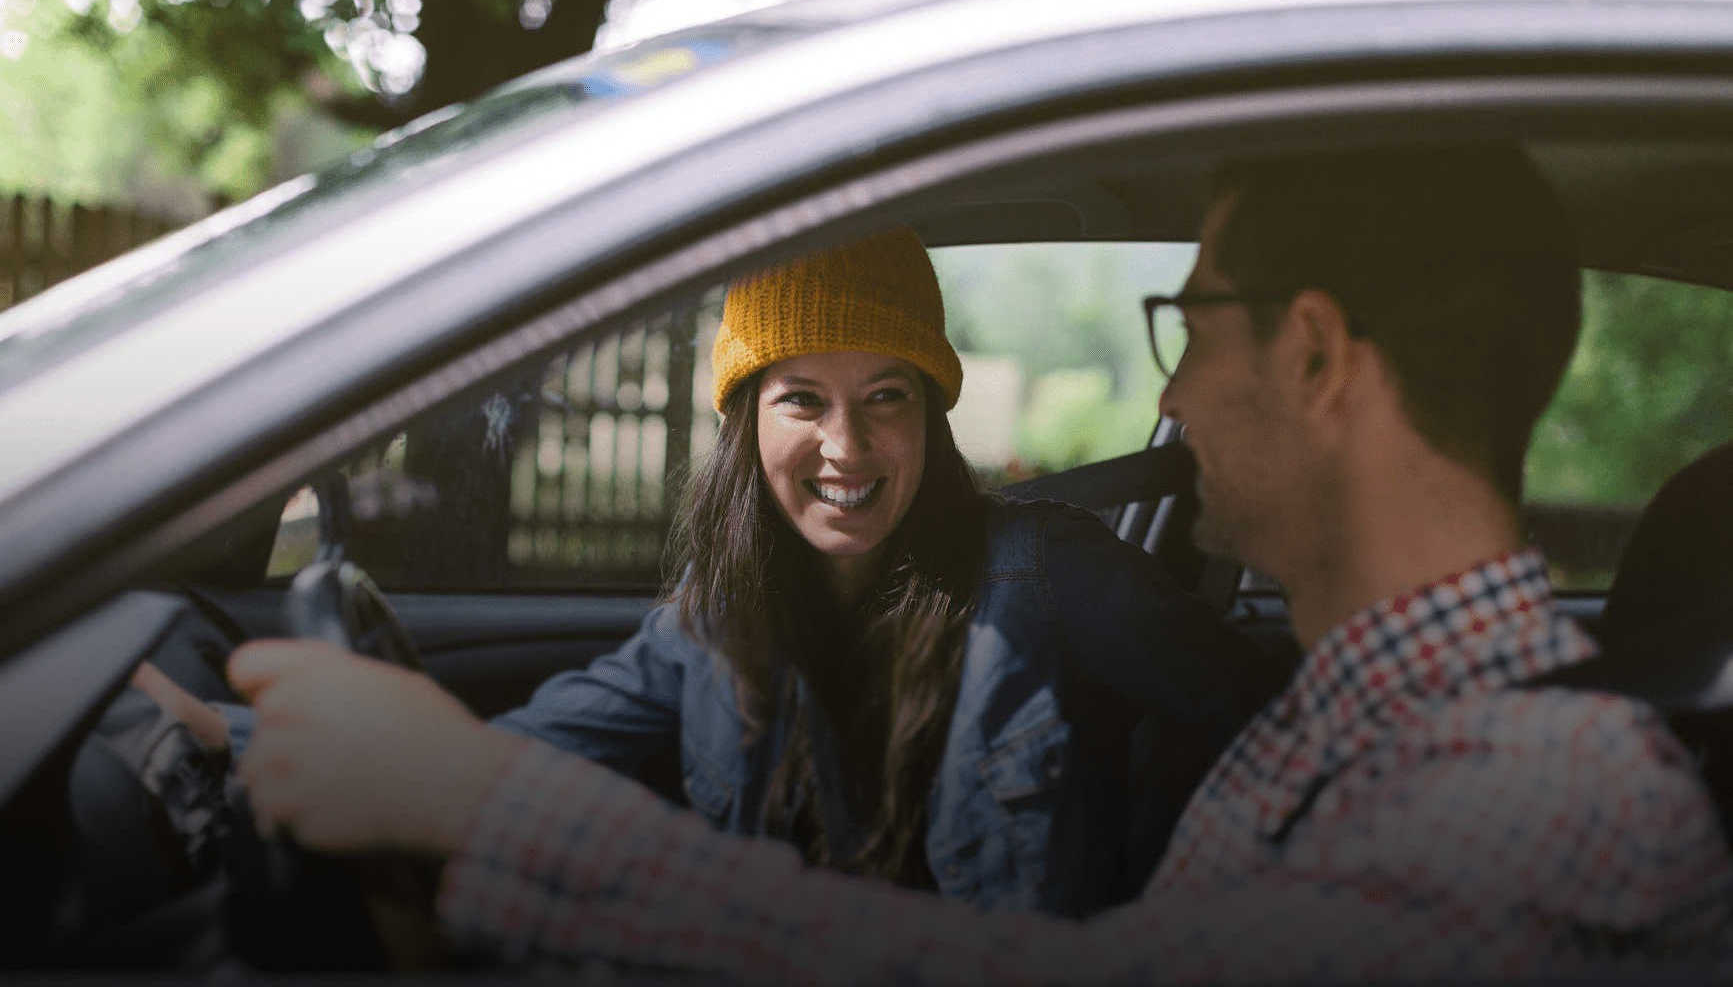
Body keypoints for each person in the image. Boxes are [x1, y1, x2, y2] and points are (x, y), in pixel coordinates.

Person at [229, 147, 1733, 981]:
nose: (1174, 397)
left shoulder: (1545, 796)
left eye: (1191, 327)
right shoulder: (1355, 730)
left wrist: (483, 810)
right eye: (800, 399)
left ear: (1317, 354)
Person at [146, 226, 1266, 919]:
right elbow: (492, 761)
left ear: (931, 414)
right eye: (801, 400)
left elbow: (1270, 733)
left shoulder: (1043, 575)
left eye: (888, 396)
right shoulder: (708, 625)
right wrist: (212, 731)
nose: (848, 445)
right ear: (744, 422)